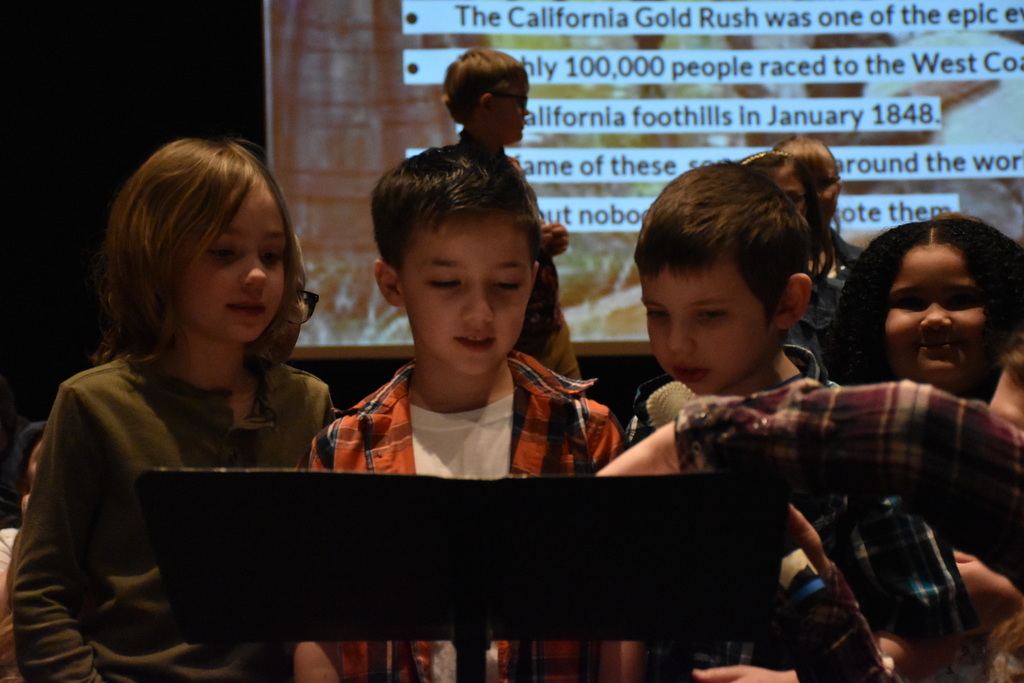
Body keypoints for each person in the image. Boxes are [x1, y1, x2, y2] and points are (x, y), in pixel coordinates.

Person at [624, 162, 976, 682]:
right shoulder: (652, 422)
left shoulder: (856, 440)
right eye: (658, 313)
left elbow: (933, 629)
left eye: (710, 315)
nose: (677, 344)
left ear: (789, 302)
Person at [293, 144, 624, 683]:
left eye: (507, 284)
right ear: (392, 284)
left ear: (534, 278)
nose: (480, 312)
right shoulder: (345, 448)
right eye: (447, 284)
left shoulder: (585, 433)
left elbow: (619, 620)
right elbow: (321, 635)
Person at [12, 138, 335, 682]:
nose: (257, 276)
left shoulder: (308, 402)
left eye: (272, 256)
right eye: (224, 252)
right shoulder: (93, 404)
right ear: (156, 254)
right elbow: (42, 595)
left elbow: (328, 588)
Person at [444, 47, 580, 379]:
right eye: (520, 101)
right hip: (504, 335)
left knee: (578, 421)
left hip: (547, 325)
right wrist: (531, 242)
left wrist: (545, 240)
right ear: (488, 104)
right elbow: (469, 252)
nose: (526, 112)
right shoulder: (459, 176)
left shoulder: (510, 166)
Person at [827, 217, 1024, 400]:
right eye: (911, 302)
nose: (935, 319)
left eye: (960, 300)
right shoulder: (831, 427)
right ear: (871, 320)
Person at [740, 150, 841, 367]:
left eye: (792, 198)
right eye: (765, 198)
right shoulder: (716, 290)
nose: (778, 210)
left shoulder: (839, 298)